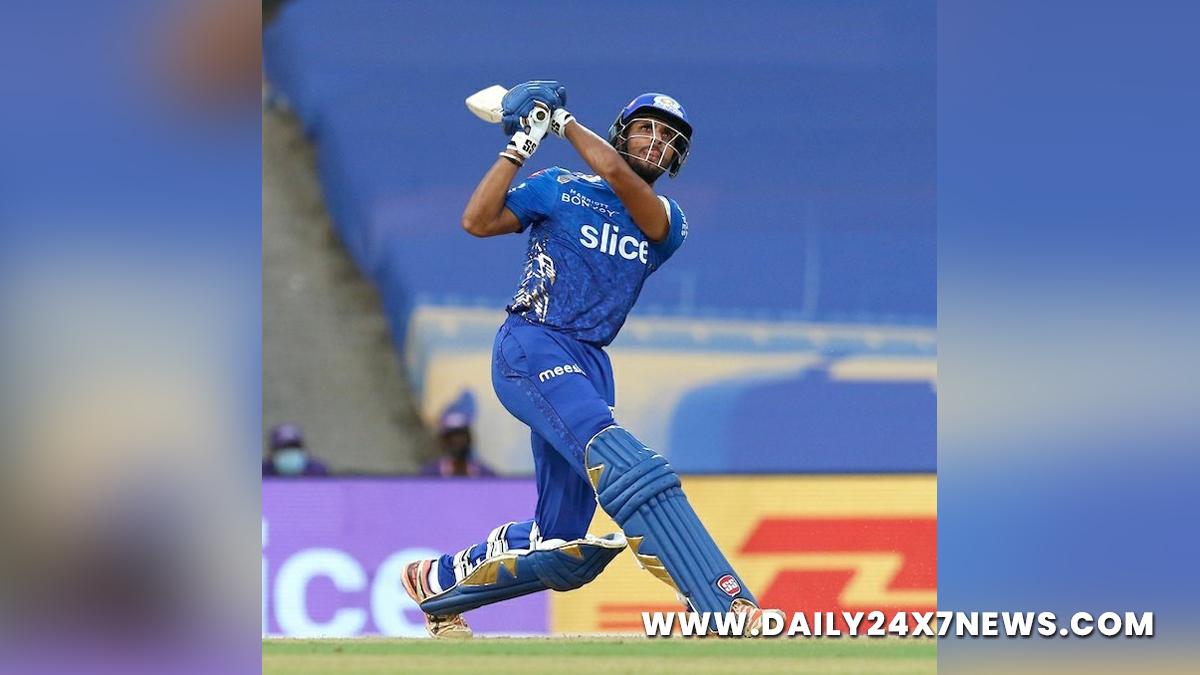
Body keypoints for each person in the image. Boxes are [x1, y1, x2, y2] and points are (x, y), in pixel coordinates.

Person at [400, 82, 763, 638]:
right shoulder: (558, 187)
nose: (656, 141)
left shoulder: (667, 220)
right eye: (646, 128)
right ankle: (724, 604)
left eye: (669, 138)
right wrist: (521, 144)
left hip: (589, 364)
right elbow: (477, 220)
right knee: (631, 467)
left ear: (677, 159)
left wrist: (561, 122)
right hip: (532, 344)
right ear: (621, 132)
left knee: (562, 548)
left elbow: (616, 174)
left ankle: (439, 581)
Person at [419, 391, 496, 478]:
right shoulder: (429, 475)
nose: (457, 441)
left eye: (461, 436)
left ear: (470, 438)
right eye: (451, 437)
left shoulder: (486, 475)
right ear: (443, 441)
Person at [261, 423, 329, 477]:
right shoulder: (263, 471)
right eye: (284, 448)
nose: (289, 452)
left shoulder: (317, 471)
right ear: (272, 452)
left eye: (294, 447)